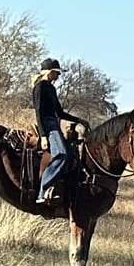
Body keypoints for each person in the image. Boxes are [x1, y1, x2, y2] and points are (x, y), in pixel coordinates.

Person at [32, 58, 90, 204]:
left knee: (70, 155)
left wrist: (78, 120)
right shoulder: (39, 87)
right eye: (56, 73)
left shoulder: (51, 88)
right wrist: (44, 136)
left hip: (55, 124)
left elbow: (59, 112)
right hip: (47, 124)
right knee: (62, 154)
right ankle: (43, 190)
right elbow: (38, 112)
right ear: (50, 72)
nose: (58, 76)